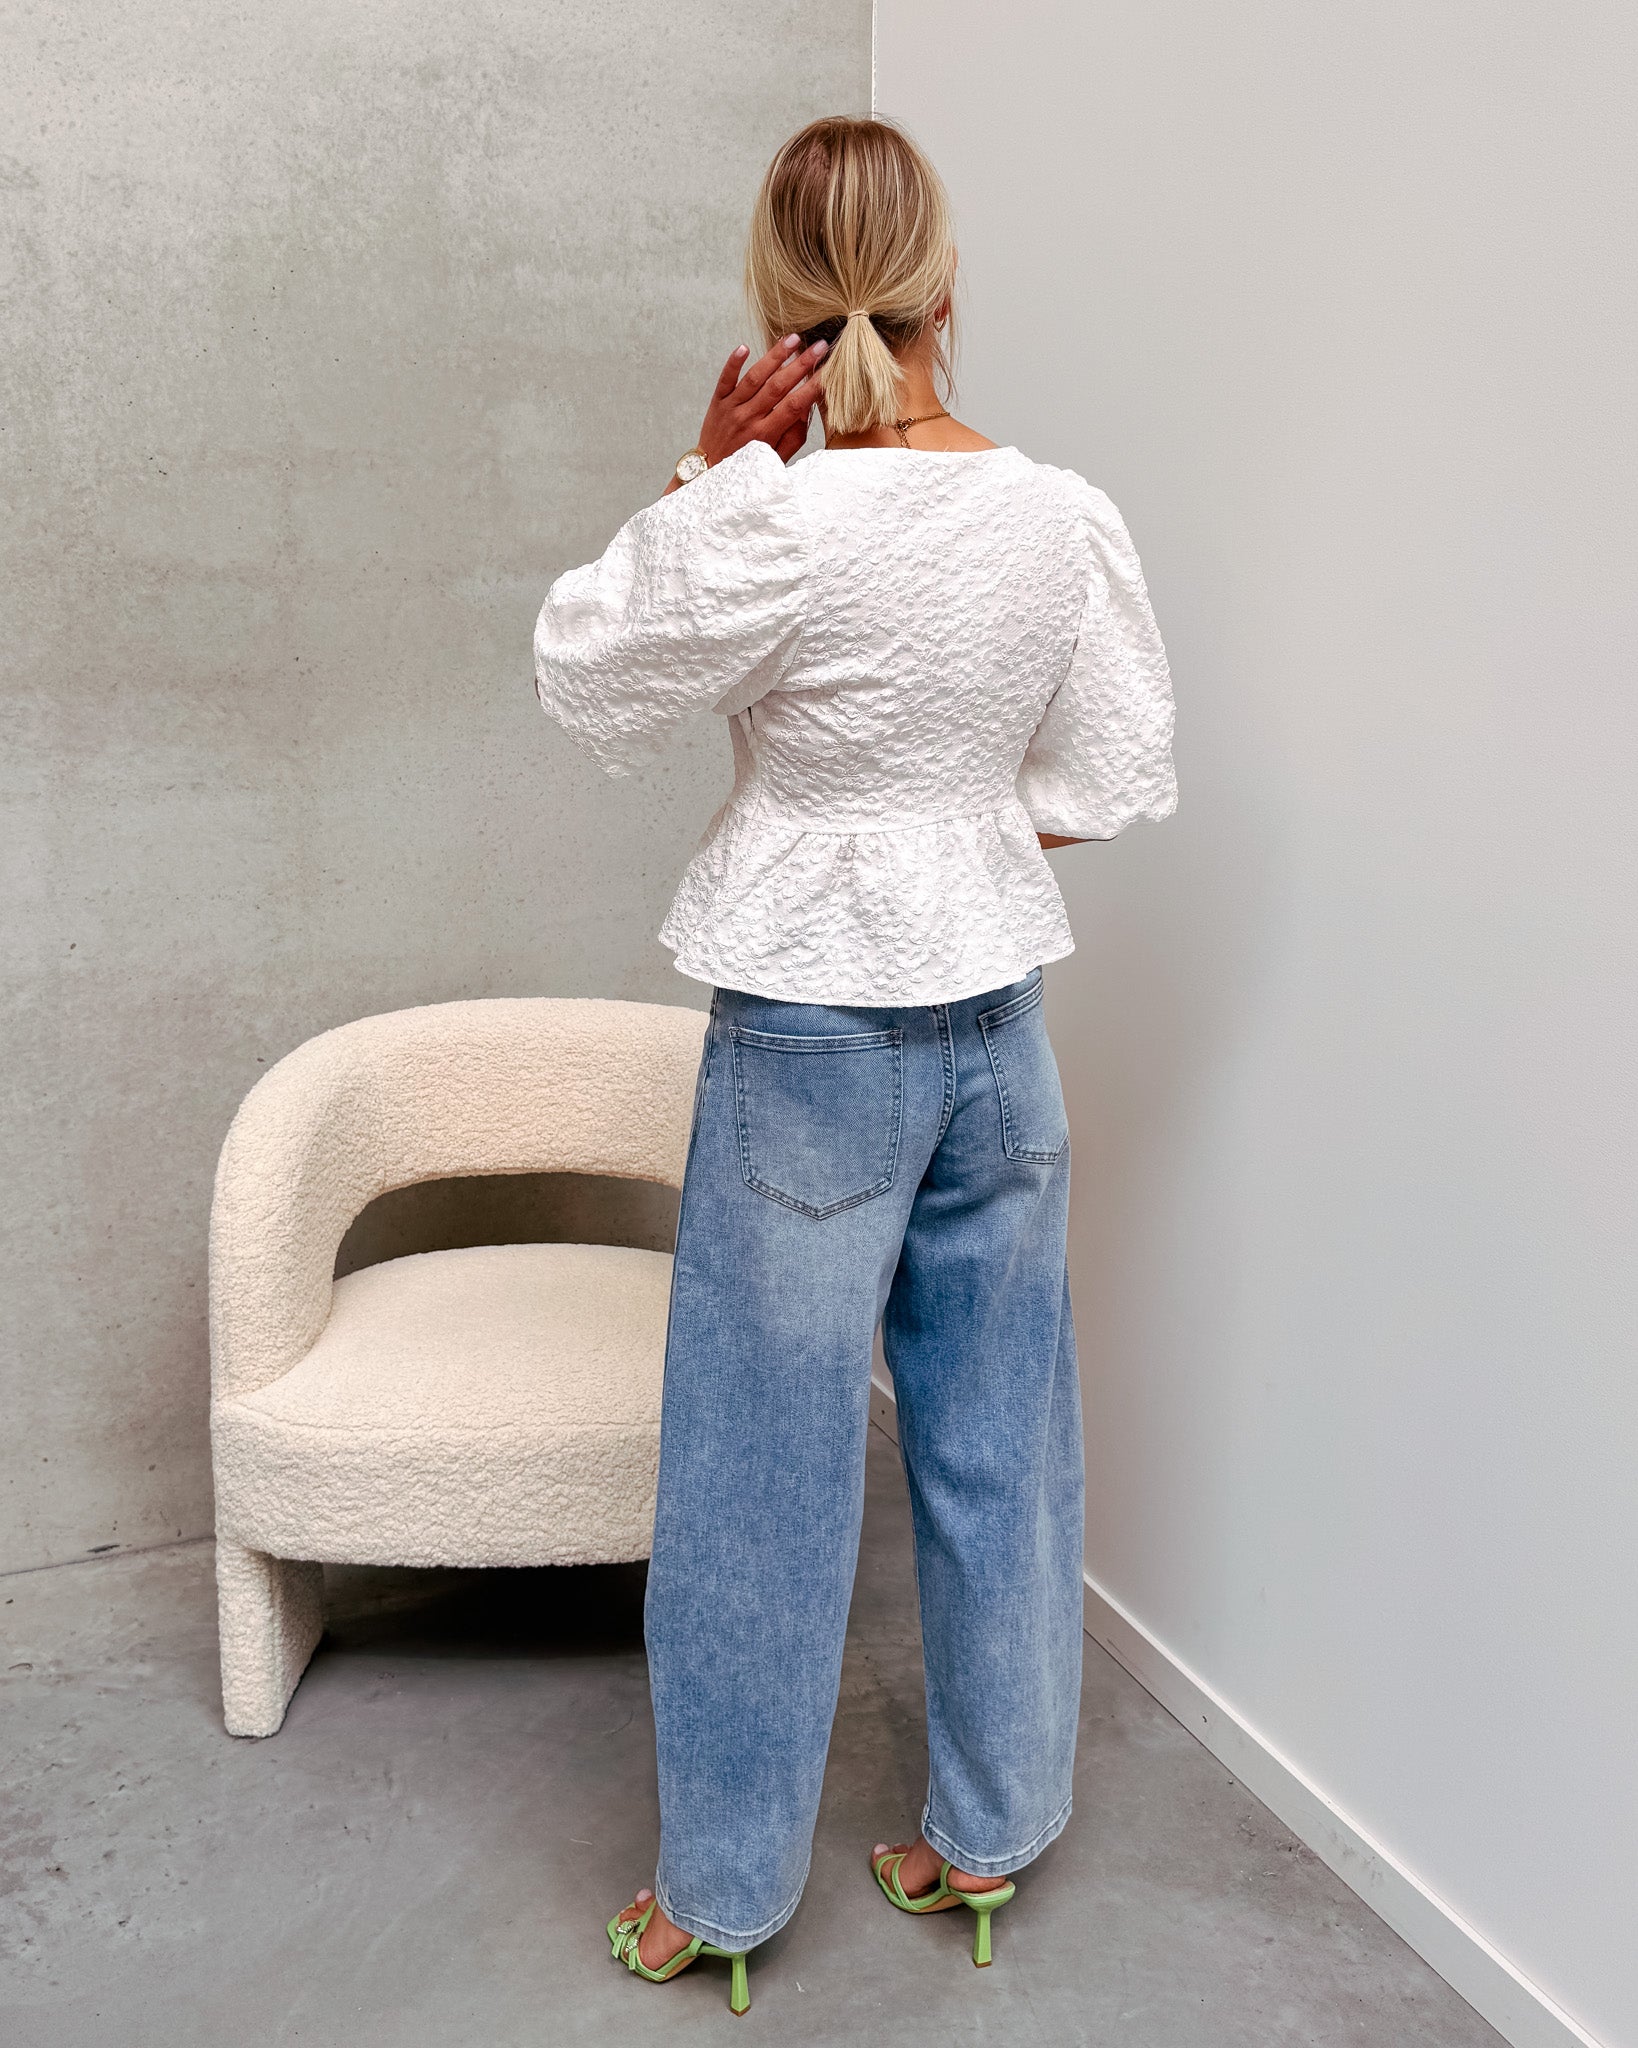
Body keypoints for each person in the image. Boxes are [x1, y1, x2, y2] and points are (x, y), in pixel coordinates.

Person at [534, 114, 1176, 2016]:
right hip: (999, 1029)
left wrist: (702, 471)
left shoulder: (768, 518)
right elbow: (1109, 772)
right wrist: (947, 832)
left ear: (778, 306)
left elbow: (586, 675)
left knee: (761, 1469)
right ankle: (988, 1837)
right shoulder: (1056, 513)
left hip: (807, 1031)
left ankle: (724, 1895)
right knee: (1002, 1440)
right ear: (944, 284)